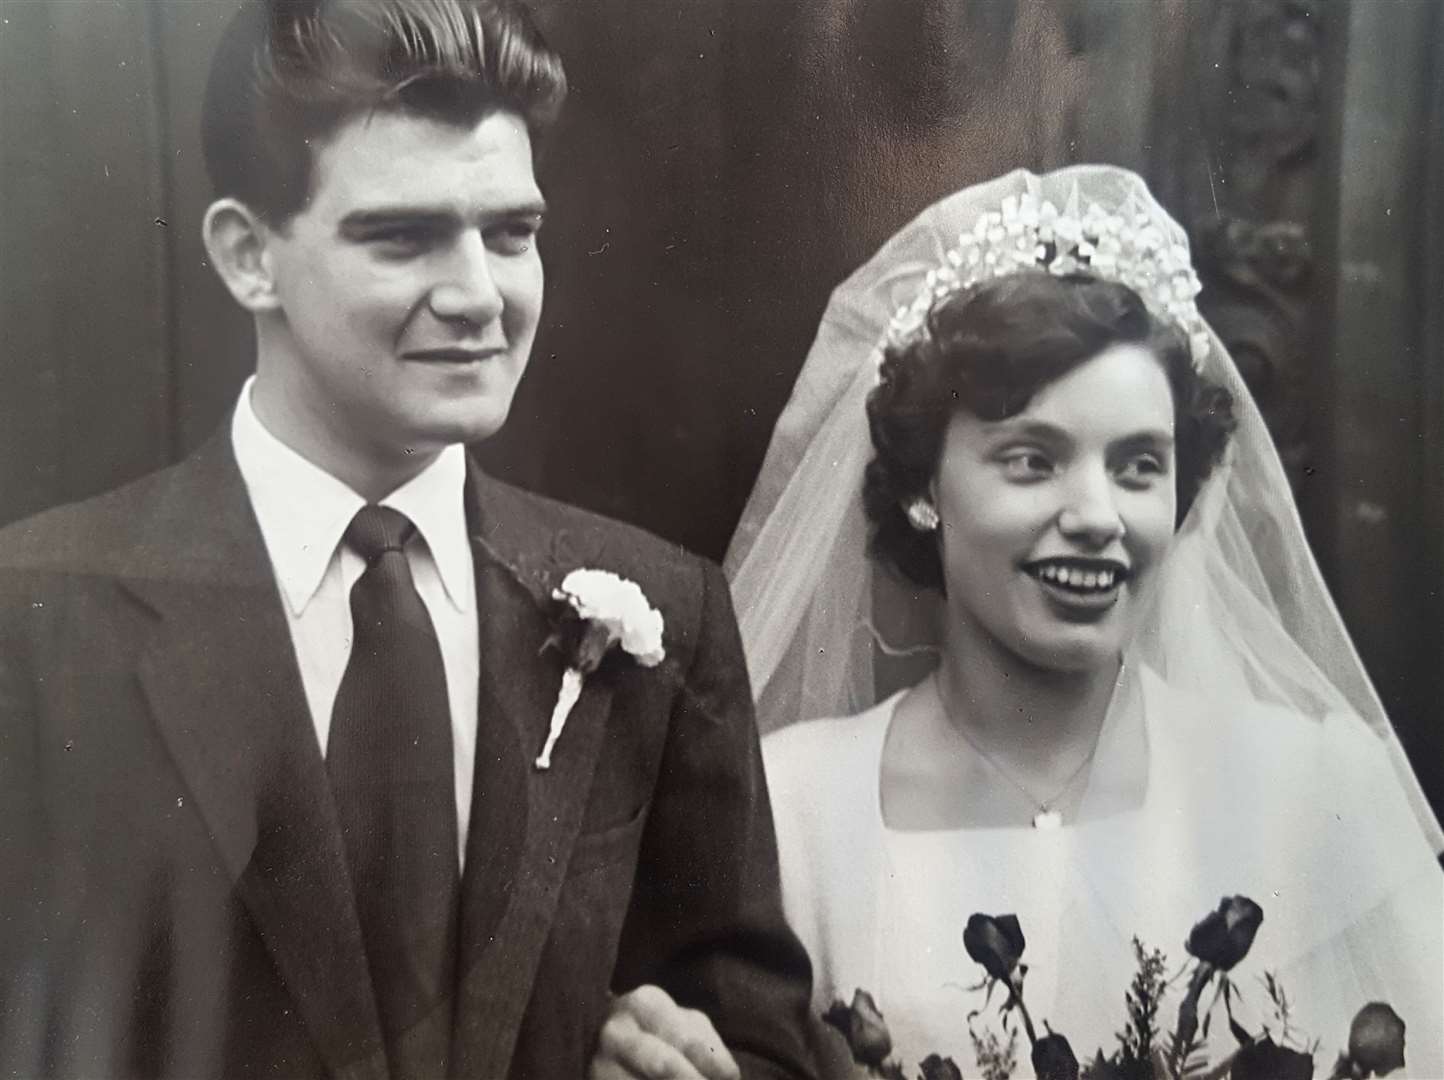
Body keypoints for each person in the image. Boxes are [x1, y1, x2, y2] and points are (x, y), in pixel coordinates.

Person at [0, 2, 815, 1078]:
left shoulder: (663, 608)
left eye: (511, 234)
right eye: (403, 237)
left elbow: (759, 1040)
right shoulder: (35, 617)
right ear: (249, 256)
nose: (480, 296)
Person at [725, 166, 1444, 1077]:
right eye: (1033, 461)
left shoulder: (1314, 788)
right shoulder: (792, 814)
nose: (1100, 515)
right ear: (920, 489)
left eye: (1140, 465)